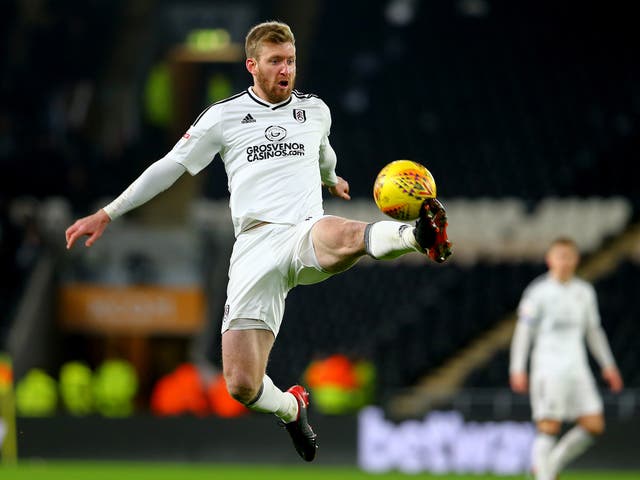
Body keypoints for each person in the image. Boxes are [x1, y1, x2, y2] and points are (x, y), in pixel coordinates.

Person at [65, 21, 452, 462]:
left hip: (303, 228)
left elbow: (324, 152)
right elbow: (169, 167)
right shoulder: (223, 117)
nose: (286, 69)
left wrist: (331, 178)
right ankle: (291, 407)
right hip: (253, 246)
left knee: (344, 233)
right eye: (275, 61)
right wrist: (107, 212)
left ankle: (420, 235)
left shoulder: (315, 110)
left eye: (290, 61)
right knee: (242, 384)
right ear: (252, 65)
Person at [509, 237, 623, 480]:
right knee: (549, 425)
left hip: (577, 368)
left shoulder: (584, 292)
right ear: (550, 259)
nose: (564, 261)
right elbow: (523, 332)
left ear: (576, 259)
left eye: (569, 256)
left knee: (594, 424)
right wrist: (517, 368)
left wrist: (608, 366)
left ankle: (549, 465)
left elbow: (594, 331)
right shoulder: (537, 292)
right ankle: (545, 476)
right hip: (548, 368)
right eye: (559, 256)